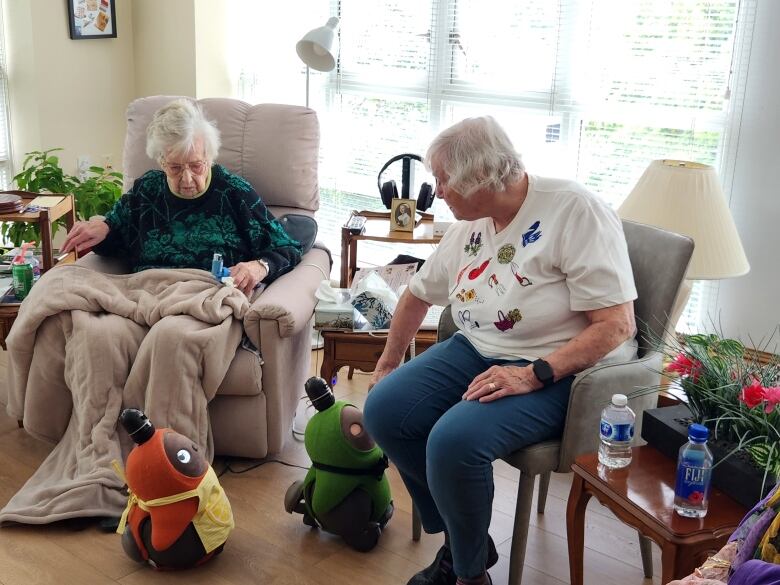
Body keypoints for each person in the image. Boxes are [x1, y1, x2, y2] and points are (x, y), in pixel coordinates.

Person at [363, 116, 638, 585]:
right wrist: (389, 361)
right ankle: (463, 538)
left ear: (482, 177)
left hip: (563, 369)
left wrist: (532, 374)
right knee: (384, 410)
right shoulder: (471, 225)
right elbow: (416, 294)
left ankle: (468, 573)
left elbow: (616, 325)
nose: (439, 191)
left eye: (445, 180)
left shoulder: (573, 210)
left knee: (454, 442)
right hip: (478, 347)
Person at [62, 98, 302, 295]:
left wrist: (258, 267)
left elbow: (287, 248)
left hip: (204, 295)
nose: (186, 179)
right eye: (175, 168)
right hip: (145, 294)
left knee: (173, 337)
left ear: (209, 156)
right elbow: (118, 244)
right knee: (63, 295)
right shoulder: (146, 190)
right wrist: (103, 230)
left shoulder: (233, 192)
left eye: (196, 166)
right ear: (161, 161)